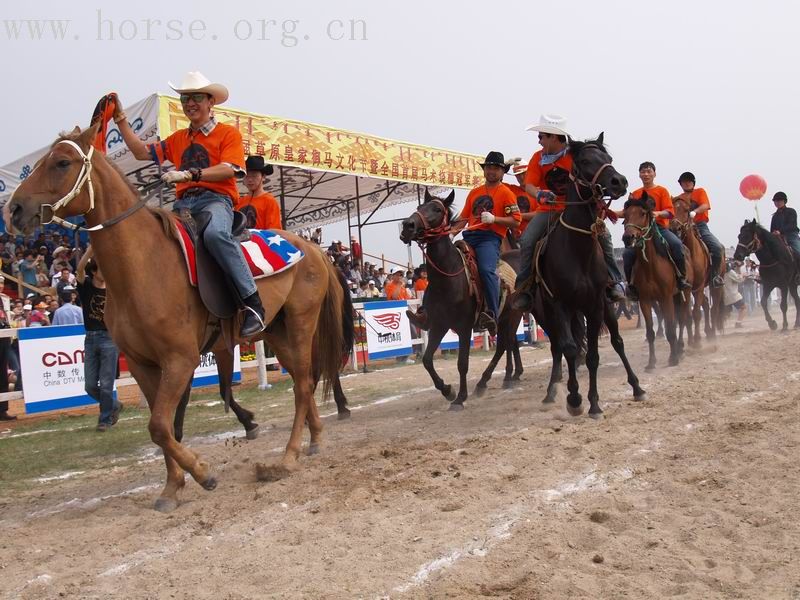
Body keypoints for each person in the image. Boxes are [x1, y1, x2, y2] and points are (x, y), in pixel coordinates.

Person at [114, 71, 265, 337]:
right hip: (184, 204)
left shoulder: (227, 134)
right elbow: (140, 152)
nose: (190, 103)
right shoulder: (177, 139)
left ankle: (253, 304)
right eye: (185, 99)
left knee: (217, 235)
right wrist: (121, 121)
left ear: (211, 102)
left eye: (196, 97)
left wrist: (189, 174)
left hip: (215, 200)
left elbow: (231, 169)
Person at [514, 115, 625, 310]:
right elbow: (529, 185)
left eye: (542, 136)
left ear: (554, 137)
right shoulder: (537, 158)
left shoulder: (576, 155)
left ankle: (613, 282)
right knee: (527, 240)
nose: (539, 140)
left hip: (578, 209)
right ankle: (525, 288)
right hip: (548, 210)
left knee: (605, 237)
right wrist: (539, 193)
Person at [450, 151, 521, 334]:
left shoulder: (506, 193)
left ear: (502, 171)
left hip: (489, 239)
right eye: (489, 167)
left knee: (486, 270)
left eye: (496, 168)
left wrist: (495, 219)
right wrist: (451, 233)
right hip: (469, 237)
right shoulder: (475, 192)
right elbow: (464, 217)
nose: (491, 171)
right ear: (484, 170)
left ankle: (493, 315)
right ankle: (432, 312)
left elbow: (516, 220)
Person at [623, 162, 692, 300]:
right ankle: (631, 286)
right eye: (643, 171)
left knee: (677, 245)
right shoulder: (635, 194)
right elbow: (628, 213)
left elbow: (670, 212)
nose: (646, 174)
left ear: (654, 174)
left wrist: (658, 213)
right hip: (642, 231)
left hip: (660, 228)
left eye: (649, 171)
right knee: (627, 254)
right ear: (639, 174)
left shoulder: (662, 191)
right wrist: (610, 213)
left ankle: (681, 278)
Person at [76, 247, 123, 432]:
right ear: (94, 272)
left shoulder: (113, 289)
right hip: (90, 338)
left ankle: (104, 420)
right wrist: (91, 250)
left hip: (109, 339)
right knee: (89, 385)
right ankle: (114, 404)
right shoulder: (86, 286)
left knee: (106, 383)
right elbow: (79, 269)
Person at [675, 172, 725, 287]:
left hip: (699, 226)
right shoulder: (678, 199)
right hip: (683, 228)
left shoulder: (700, 192)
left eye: (689, 181)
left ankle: (715, 276)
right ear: (681, 184)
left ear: (693, 183)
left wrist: (695, 212)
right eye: (684, 182)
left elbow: (705, 205)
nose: (686, 184)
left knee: (717, 247)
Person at [236, 155, 281, 230]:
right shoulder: (239, 202)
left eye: (254, 176)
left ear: (263, 177)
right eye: (247, 176)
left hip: (261, 240)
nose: (250, 180)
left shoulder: (269, 201)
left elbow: (274, 231)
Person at [769, 191, 800, 276]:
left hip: (791, 236)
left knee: (798, 251)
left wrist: (780, 231)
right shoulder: (774, 216)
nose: (777, 203)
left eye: (779, 201)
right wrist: (772, 234)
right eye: (775, 201)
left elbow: (792, 224)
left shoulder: (791, 211)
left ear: (784, 201)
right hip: (778, 238)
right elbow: (772, 229)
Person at [723, 261, 747, 328]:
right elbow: (739, 280)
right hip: (733, 295)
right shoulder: (730, 272)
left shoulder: (721, 273)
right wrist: (743, 276)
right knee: (744, 308)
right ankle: (738, 323)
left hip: (725, 296)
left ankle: (720, 324)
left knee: (726, 312)